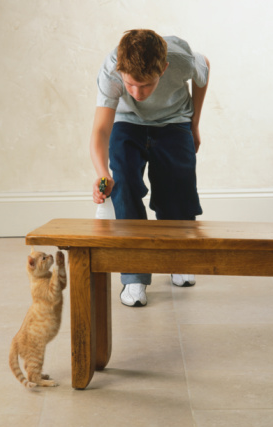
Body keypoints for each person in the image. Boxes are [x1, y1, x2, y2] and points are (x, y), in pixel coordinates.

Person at [90, 29, 210, 307]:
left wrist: (194, 124)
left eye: (145, 85)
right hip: (126, 122)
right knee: (125, 187)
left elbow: (205, 70)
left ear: (164, 69)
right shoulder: (112, 69)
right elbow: (99, 130)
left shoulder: (181, 58)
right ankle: (134, 276)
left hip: (174, 120)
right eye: (130, 84)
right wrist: (101, 173)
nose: (136, 92)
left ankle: (178, 260)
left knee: (177, 189)